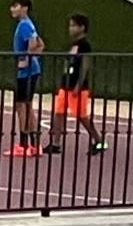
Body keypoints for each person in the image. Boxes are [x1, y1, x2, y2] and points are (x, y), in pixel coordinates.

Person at [44, 13, 107, 156]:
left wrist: (78, 85)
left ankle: (99, 140)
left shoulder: (85, 46)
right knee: (58, 113)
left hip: (77, 87)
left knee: (82, 116)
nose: (70, 28)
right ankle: (56, 144)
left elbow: (85, 65)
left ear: (82, 27)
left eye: (73, 25)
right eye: (70, 25)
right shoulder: (73, 44)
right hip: (65, 84)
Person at [7, 0, 44, 157]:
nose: (12, 9)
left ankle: (24, 144)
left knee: (22, 106)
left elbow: (35, 44)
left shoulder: (25, 25)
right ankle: (34, 144)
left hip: (27, 72)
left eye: (16, 6)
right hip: (30, 70)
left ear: (24, 8)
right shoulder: (28, 25)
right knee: (25, 105)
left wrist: (26, 60)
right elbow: (41, 44)